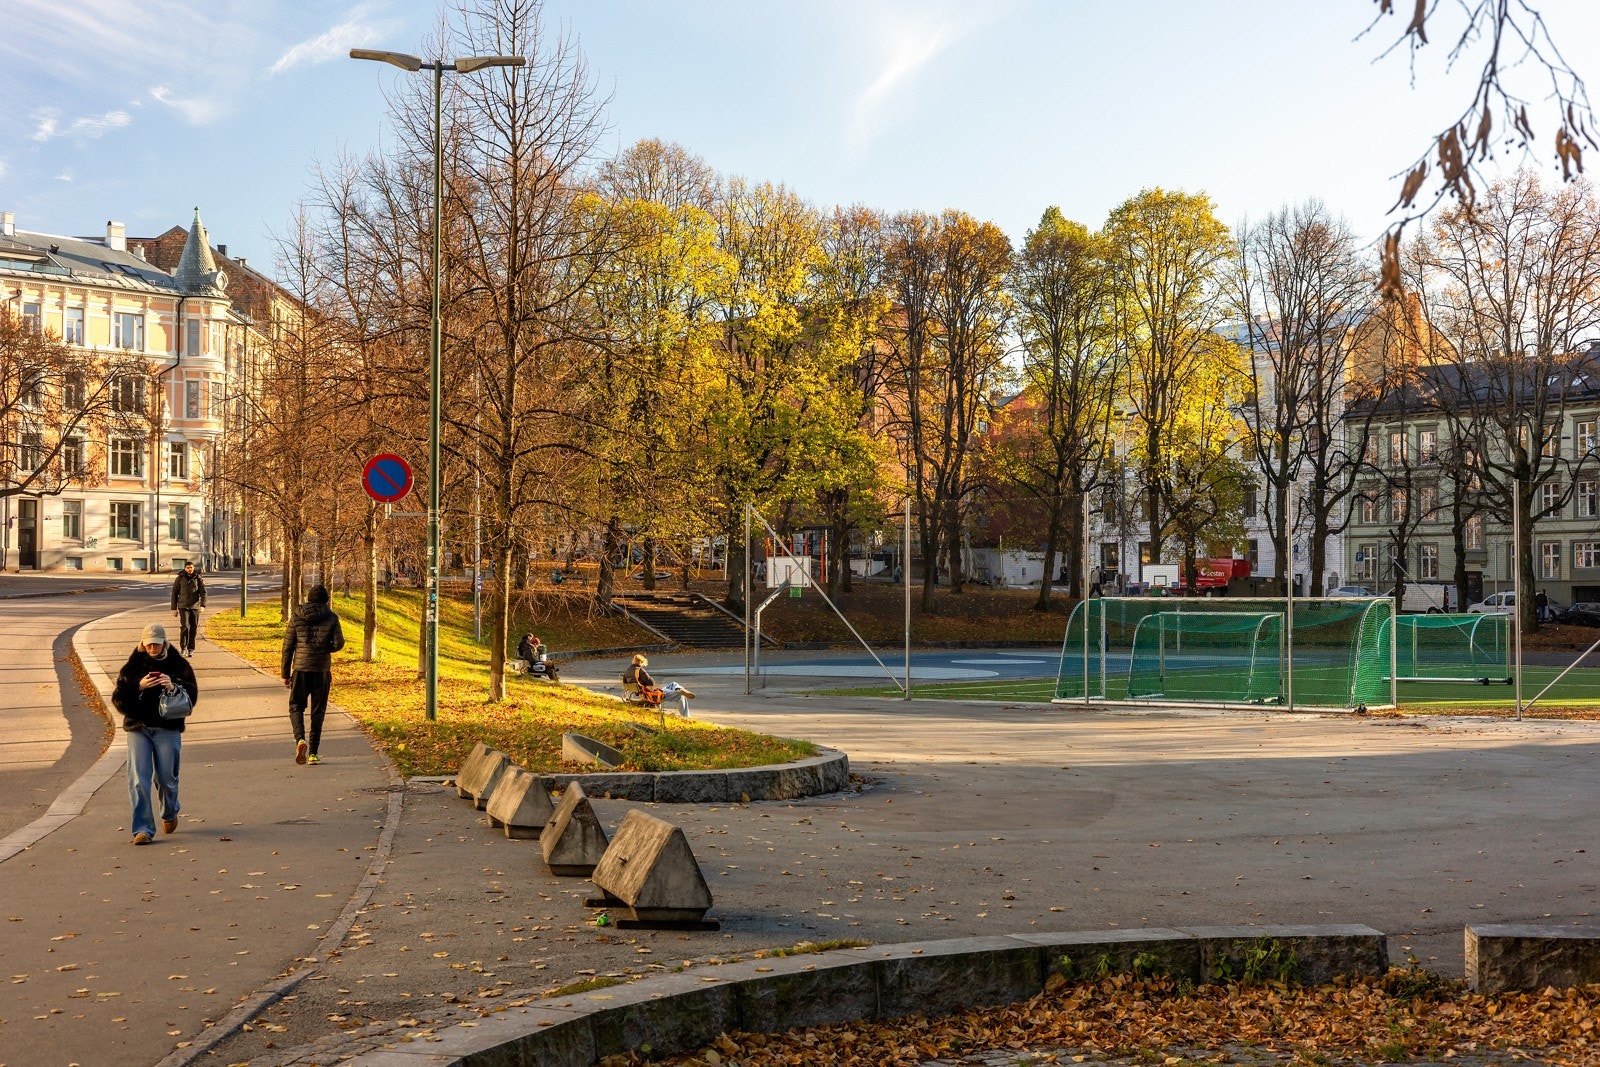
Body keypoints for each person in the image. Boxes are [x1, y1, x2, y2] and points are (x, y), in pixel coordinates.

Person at [112, 623, 198, 844]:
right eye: (148, 643)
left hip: (167, 728)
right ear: (142, 643)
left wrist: (172, 687)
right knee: (138, 780)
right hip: (138, 728)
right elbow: (119, 700)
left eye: (156, 644)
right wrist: (138, 687)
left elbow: (191, 699)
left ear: (164, 643)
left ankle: (170, 811)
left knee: (167, 778)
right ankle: (142, 829)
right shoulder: (131, 668)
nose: (152, 647)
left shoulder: (179, 665)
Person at [281, 585, 345, 765]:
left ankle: (300, 740)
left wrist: (285, 673)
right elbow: (339, 643)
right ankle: (314, 754)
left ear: (309, 598)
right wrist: (327, 648)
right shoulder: (331, 617)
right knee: (318, 711)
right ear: (326, 599)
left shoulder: (296, 615)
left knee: (296, 707)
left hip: (300, 669)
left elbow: (288, 646)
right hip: (321, 670)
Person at [622, 653, 695, 717]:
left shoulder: (627, 671)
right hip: (650, 694)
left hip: (642, 692)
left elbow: (625, 682)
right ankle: (686, 717)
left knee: (673, 684)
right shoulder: (639, 670)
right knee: (680, 695)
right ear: (640, 662)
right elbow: (651, 682)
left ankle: (679, 689)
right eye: (642, 663)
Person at [170, 560, 207, 657]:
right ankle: (183, 648)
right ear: (185, 568)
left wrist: (202, 605)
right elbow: (174, 593)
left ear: (193, 568)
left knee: (193, 627)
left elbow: (203, 593)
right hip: (183, 606)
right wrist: (174, 608)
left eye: (191, 567)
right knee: (185, 626)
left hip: (194, 606)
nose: (189, 569)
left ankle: (191, 649)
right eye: (188, 568)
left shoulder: (198, 578)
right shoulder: (180, 578)